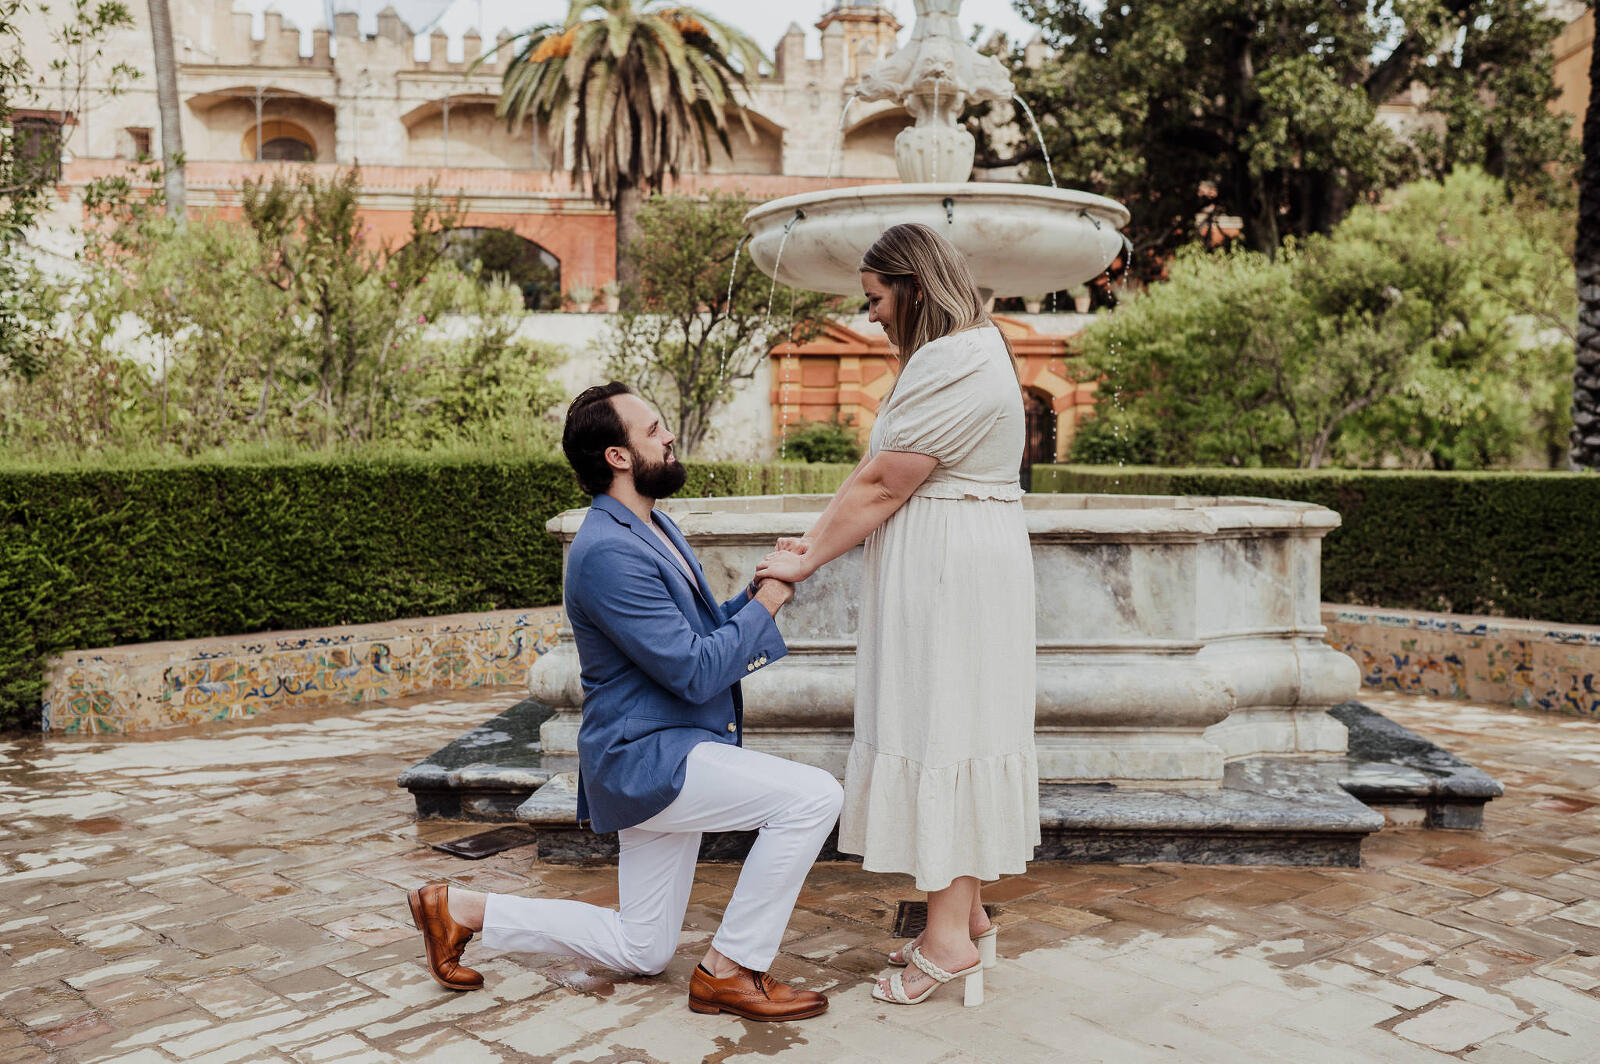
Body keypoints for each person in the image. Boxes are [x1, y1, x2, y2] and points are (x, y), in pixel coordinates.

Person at [408, 382, 843, 1022]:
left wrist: (754, 595)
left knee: (643, 948)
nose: (668, 437)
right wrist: (774, 601)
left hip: (665, 747)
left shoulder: (652, 524)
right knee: (813, 796)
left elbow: (686, 640)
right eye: (654, 429)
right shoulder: (607, 550)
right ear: (617, 455)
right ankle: (732, 970)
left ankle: (461, 910)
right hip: (648, 757)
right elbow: (695, 674)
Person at [756, 223, 1039, 1008]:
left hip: (952, 573)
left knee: (944, 726)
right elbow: (873, 472)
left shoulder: (954, 358)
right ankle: (969, 915)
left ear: (913, 286)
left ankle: (948, 943)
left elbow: (886, 485)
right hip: (954, 562)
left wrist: (805, 563)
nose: (872, 313)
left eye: (877, 298)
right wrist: (811, 536)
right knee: (954, 723)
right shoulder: (961, 353)